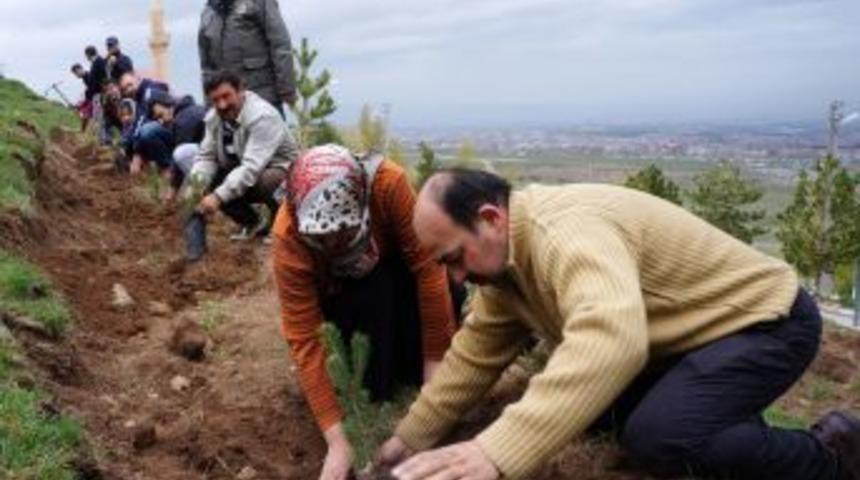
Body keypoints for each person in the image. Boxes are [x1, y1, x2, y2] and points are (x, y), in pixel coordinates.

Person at [375, 169, 860, 480]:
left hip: (763, 319)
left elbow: (613, 339)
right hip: (686, 343)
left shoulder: (563, 234)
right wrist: (405, 441)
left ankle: (831, 454)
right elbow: (472, 359)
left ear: (490, 217)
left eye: (456, 258)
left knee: (658, 436)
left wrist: (494, 453)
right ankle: (724, 426)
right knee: (594, 413)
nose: (458, 278)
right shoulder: (505, 271)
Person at [272, 145, 462, 480]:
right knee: (371, 382)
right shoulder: (290, 234)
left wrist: (435, 371)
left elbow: (427, 269)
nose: (335, 244)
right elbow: (304, 336)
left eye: (344, 233)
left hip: (396, 279)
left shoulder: (388, 185)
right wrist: (337, 441)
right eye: (324, 237)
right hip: (344, 300)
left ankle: (414, 360)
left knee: (448, 288)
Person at [187, 70, 297, 243]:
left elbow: (252, 167)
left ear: (240, 91)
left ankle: (282, 225)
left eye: (226, 96)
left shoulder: (262, 116)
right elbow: (207, 157)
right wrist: (195, 187)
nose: (222, 105)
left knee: (266, 181)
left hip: (283, 172)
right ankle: (253, 223)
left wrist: (217, 197)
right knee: (211, 180)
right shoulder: (213, 119)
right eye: (215, 100)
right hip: (246, 170)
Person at [198, 0, 297, 115]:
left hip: (263, 97)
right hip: (228, 107)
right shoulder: (208, 12)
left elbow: (280, 45)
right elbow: (207, 67)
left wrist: (287, 91)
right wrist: (210, 105)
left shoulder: (260, 3)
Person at [147, 91, 208, 201]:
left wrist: (171, 192)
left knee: (181, 154)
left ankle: (206, 191)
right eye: (157, 119)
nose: (161, 122)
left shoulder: (183, 120)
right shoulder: (190, 110)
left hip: (217, 161)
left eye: (160, 115)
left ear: (169, 105)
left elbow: (180, 158)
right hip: (214, 155)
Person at [118, 72, 170, 175]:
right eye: (125, 89)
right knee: (134, 137)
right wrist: (125, 148)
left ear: (137, 79)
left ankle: (167, 168)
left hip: (172, 131)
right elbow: (136, 125)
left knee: (146, 131)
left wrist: (137, 154)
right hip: (163, 133)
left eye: (130, 84)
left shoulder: (149, 91)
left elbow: (143, 121)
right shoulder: (138, 98)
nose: (129, 90)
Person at [70, 63, 96, 132]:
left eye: (75, 73)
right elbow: (87, 91)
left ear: (79, 69)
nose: (76, 76)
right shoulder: (85, 78)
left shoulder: (89, 76)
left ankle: (86, 131)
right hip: (91, 99)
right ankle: (83, 131)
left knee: (86, 114)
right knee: (83, 113)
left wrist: (82, 105)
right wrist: (79, 105)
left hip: (96, 98)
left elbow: (92, 91)